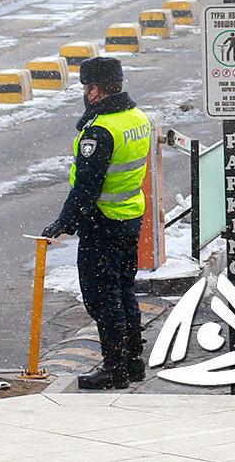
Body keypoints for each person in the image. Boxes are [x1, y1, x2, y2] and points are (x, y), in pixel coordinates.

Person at [41, 56, 152, 390]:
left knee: (102, 298)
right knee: (123, 289)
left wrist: (63, 223)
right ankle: (132, 363)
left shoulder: (101, 131)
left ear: (94, 91)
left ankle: (114, 368)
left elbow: (87, 188)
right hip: (129, 217)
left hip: (103, 223)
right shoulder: (136, 118)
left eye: (86, 87)